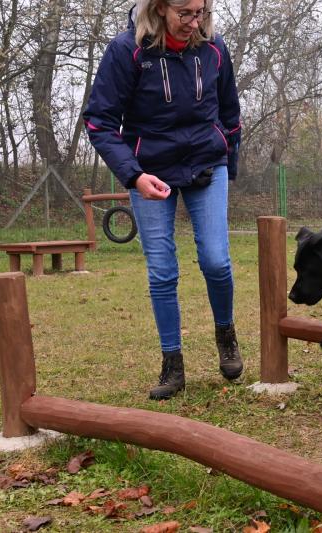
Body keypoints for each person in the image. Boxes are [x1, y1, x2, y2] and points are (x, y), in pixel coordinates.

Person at [83, 0, 243, 400]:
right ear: (159, 8)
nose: (194, 22)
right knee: (162, 270)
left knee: (216, 260)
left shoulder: (215, 49)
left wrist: (228, 161)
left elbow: (231, 115)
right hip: (150, 170)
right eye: (184, 13)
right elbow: (100, 122)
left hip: (207, 163)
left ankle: (226, 333)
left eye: (201, 12)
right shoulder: (127, 52)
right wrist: (134, 176)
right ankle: (173, 363)